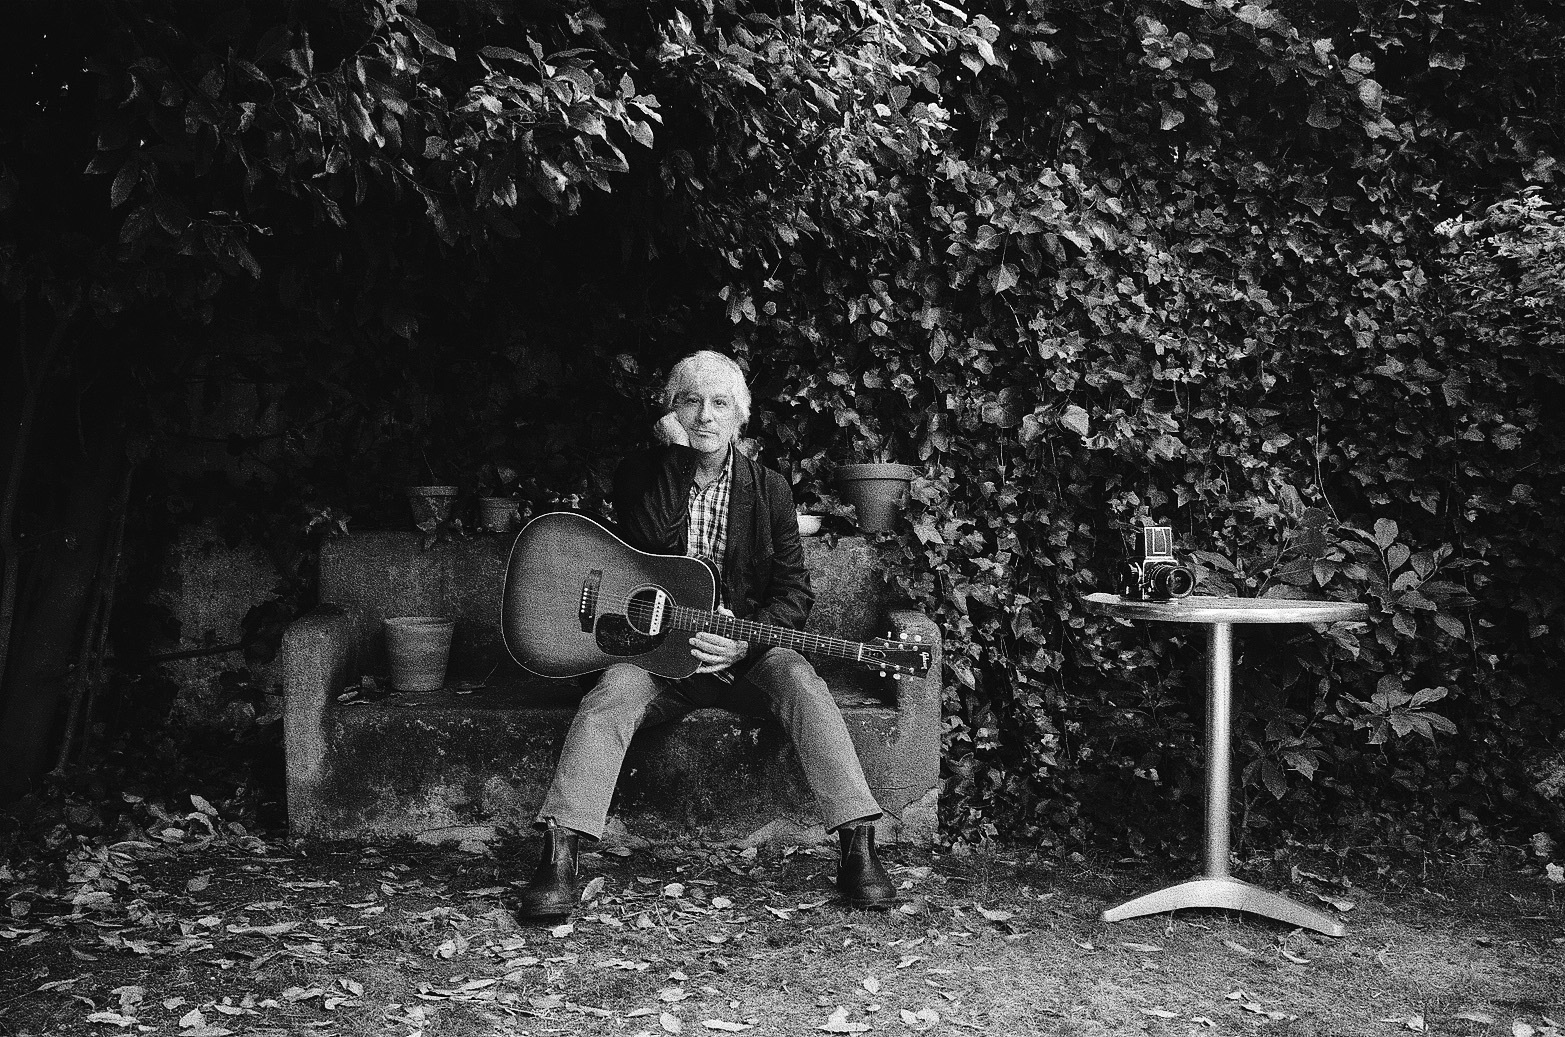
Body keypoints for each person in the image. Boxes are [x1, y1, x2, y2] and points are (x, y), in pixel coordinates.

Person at [513, 350, 896, 919]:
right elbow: (646, 541)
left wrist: (745, 642)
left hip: (743, 656)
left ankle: (858, 846)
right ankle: (559, 854)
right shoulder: (641, 474)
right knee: (610, 696)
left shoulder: (769, 490)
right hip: (657, 656)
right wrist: (674, 457)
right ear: (672, 411)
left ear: (740, 416)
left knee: (802, 682)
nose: (705, 417)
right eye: (691, 402)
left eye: (720, 404)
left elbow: (794, 592)